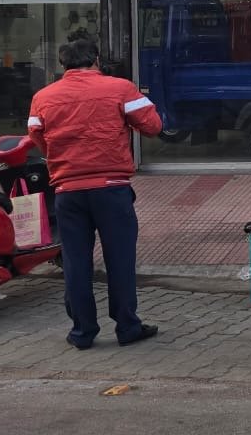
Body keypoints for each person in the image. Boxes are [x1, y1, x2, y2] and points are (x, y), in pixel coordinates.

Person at [27, 38, 162, 349]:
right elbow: (153, 126)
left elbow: (36, 134)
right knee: (120, 260)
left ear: (62, 65)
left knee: (75, 262)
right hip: (111, 190)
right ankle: (127, 327)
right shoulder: (120, 88)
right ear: (96, 60)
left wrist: (60, 159)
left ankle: (82, 332)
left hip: (68, 190)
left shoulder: (43, 97)